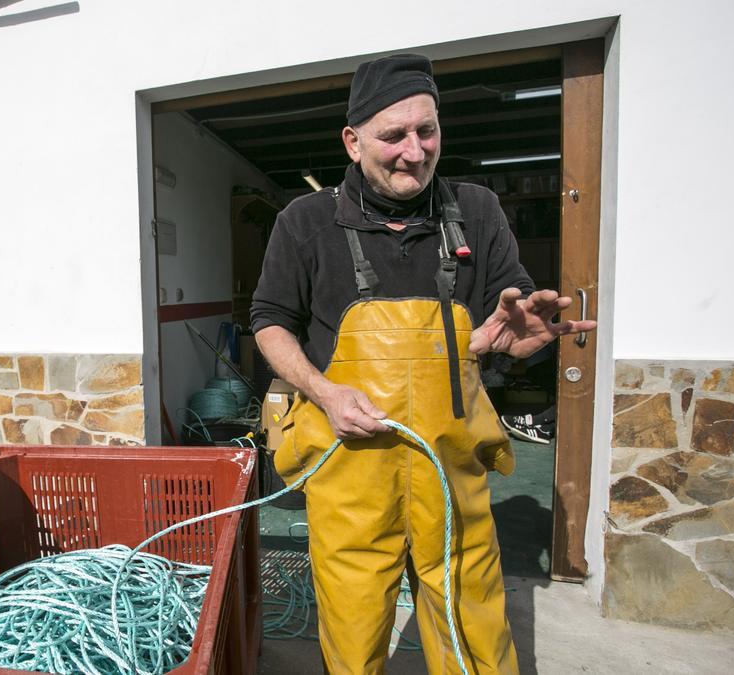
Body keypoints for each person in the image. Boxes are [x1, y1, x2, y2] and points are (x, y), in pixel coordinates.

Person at [250, 54, 596, 674]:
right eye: (393, 136)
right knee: (353, 634)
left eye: (427, 131)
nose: (415, 151)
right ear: (353, 142)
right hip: (349, 465)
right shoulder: (305, 222)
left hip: (451, 465)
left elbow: (503, 325)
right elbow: (270, 321)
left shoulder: (477, 210)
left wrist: (520, 339)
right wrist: (324, 391)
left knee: (474, 629)